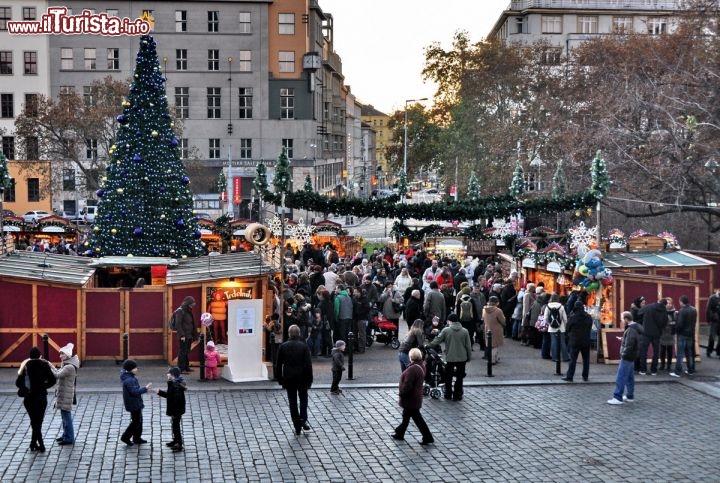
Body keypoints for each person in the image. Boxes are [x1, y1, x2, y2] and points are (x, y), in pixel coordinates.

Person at [274, 324, 314, 435]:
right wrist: (310, 379)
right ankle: (302, 419)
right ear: (299, 333)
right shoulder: (304, 346)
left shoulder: (283, 346)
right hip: (302, 377)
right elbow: (308, 365)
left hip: (289, 377)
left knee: (292, 402)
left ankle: (297, 425)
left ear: (289, 333)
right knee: (303, 400)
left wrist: (280, 378)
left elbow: (278, 364)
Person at [390, 348, 434, 445]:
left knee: (416, 418)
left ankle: (427, 436)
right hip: (415, 397)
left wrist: (402, 393)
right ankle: (400, 433)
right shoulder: (421, 365)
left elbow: (407, 384)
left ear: (411, 357)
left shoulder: (412, 369)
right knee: (406, 416)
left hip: (410, 397)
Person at [16, 347, 56, 452]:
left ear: (30, 356)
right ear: (39, 356)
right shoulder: (44, 365)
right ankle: (40, 444)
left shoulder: (25, 366)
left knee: (34, 421)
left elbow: (18, 382)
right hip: (41, 397)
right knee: (38, 421)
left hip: (29, 398)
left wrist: (25, 388)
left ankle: (33, 443)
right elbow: (52, 380)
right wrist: (44, 386)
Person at [430, 313, 472, 401]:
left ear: (450, 321)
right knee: (460, 377)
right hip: (462, 357)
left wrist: (429, 345)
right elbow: (468, 346)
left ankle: (448, 394)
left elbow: (437, 341)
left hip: (450, 357)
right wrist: (469, 357)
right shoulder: (465, 331)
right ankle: (458, 394)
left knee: (448, 376)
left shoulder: (446, 330)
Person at [608, 311, 643, 405]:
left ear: (626, 319)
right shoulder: (636, 328)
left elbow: (630, 344)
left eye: (622, 319)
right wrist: (623, 339)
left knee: (621, 376)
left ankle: (617, 397)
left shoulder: (631, 330)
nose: (621, 321)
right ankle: (630, 396)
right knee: (630, 377)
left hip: (627, 356)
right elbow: (633, 341)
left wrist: (623, 354)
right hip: (632, 356)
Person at [50, 343, 80, 445]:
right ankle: (65, 435)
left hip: (66, 394)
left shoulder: (69, 367)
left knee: (66, 417)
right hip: (64, 393)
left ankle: (69, 438)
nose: (60, 356)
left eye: (62, 354)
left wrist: (49, 366)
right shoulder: (66, 364)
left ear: (67, 355)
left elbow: (57, 375)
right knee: (64, 417)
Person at [120, 359, 152, 446]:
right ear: (130, 369)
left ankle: (137, 438)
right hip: (133, 403)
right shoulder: (130, 380)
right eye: (135, 368)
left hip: (135, 403)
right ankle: (125, 437)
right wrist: (145, 388)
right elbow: (134, 392)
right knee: (136, 421)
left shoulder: (129, 377)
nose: (137, 369)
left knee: (139, 420)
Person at [155, 366, 187, 452]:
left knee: (176, 427)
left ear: (172, 375)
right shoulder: (174, 383)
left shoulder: (175, 385)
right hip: (177, 410)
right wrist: (160, 392)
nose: (167, 374)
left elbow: (175, 400)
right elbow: (170, 396)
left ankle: (179, 444)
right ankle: (176, 440)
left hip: (176, 410)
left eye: (168, 373)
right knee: (174, 426)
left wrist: (174, 413)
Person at [562, 302, 593, 382]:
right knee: (586, 360)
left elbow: (567, 328)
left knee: (573, 360)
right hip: (586, 341)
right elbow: (590, 326)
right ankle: (585, 376)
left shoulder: (573, 317)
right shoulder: (588, 317)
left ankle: (570, 376)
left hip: (575, 341)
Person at [638, 298, 669, 375]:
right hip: (657, 334)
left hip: (646, 332)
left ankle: (643, 370)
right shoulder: (664, 311)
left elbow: (639, 313)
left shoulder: (649, 306)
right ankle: (654, 370)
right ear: (665, 304)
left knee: (644, 351)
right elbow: (664, 323)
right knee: (656, 352)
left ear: (658, 301)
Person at [671, 295, 697, 378]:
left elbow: (680, 324)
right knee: (689, 353)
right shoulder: (694, 310)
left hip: (682, 334)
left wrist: (676, 330)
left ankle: (677, 372)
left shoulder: (682, 311)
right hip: (690, 334)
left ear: (681, 302)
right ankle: (690, 370)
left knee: (680, 354)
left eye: (680, 302)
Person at [544, 293, 569, 362]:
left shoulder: (548, 306)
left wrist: (549, 323)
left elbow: (545, 317)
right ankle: (565, 357)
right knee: (562, 342)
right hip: (561, 327)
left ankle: (554, 357)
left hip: (552, 328)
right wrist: (565, 325)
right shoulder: (561, 306)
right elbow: (565, 318)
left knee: (553, 342)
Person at [482, 296, 506, 364]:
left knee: (490, 345)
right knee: (496, 345)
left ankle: (494, 358)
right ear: (496, 303)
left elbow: (483, 318)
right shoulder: (498, 310)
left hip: (487, 328)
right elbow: (503, 321)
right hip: (497, 329)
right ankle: (493, 359)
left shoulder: (484, 309)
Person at [176, 296, 197, 374]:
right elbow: (178, 324)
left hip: (188, 335)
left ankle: (186, 367)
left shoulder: (188, 310)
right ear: (188, 303)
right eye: (192, 303)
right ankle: (181, 369)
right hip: (183, 336)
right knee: (182, 352)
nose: (193, 305)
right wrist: (182, 335)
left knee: (187, 351)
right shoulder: (180, 311)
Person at [659, 298, 677, 372]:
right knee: (662, 350)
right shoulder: (661, 311)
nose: (668, 305)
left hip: (670, 333)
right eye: (667, 303)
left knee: (670, 350)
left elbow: (676, 322)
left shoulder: (675, 312)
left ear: (672, 304)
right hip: (663, 333)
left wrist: (672, 324)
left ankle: (669, 365)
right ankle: (662, 365)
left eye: (670, 303)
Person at [706, 287, 720, 357]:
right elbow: (708, 309)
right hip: (715, 320)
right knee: (712, 337)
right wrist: (709, 319)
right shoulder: (712, 298)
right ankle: (709, 351)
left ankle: (718, 351)